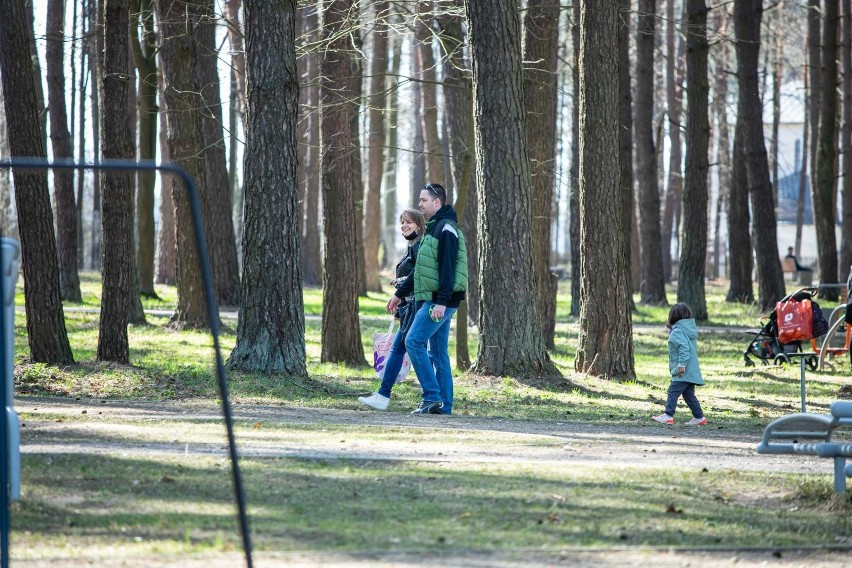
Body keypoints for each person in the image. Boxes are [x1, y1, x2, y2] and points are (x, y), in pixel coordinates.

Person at [388, 183, 468, 415]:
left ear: (437, 202)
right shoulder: (433, 229)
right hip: (433, 299)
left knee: (413, 342)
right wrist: (398, 295)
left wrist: (441, 302)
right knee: (438, 352)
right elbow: (420, 272)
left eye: (423, 200)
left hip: (438, 301)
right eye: (420, 200)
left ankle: (431, 396)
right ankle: (445, 406)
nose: (419, 204)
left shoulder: (446, 229)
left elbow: (448, 268)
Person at [358, 209, 426, 411]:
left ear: (419, 226)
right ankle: (385, 394)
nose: (404, 226)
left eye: (409, 222)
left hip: (416, 305)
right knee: (405, 349)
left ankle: (431, 395)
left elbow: (419, 275)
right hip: (408, 307)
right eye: (402, 222)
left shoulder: (420, 246)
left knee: (410, 349)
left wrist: (400, 286)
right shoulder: (411, 246)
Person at [652, 303, 707, 426]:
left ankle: (668, 415)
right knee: (688, 395)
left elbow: (684, 349)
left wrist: (681, 364)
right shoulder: (688, 330)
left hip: (682, 370)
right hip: (690, 370)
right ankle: (699, 417)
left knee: (673, 391)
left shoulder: (677, 332)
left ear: (673, 317)